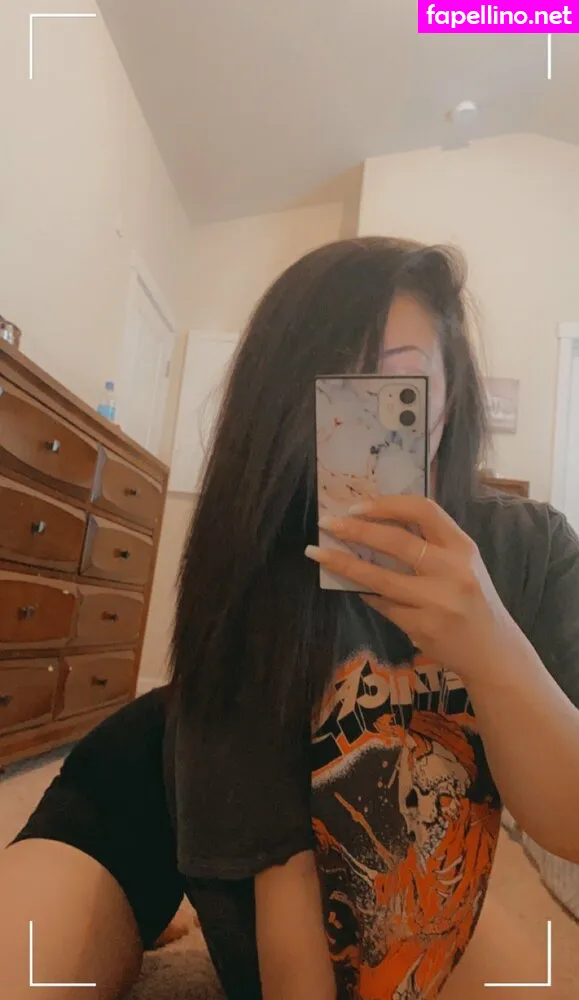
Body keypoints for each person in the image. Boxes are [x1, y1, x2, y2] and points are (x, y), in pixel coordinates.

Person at [2, 237, 579, 1000]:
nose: (368, 411)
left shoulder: (530, 549)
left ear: (452, 385)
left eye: (398, 379)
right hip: (159, 773)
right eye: (336, 380)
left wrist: (491, 644)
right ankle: (168, 895)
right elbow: (284, 912)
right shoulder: (257, 561)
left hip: (378, 842)